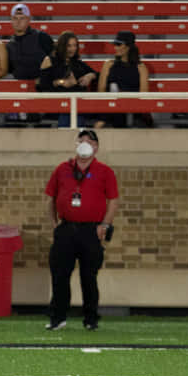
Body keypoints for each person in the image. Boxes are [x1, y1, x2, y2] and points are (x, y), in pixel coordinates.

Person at [44, 129, 119, 331]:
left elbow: (113, 200)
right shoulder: (62, 169)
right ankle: (58, 318)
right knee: (60, 275)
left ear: (96, 147)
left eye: (90, 141)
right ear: (76, 145)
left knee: (89, 277)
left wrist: (105, 225)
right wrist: (54, 224)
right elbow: (50, 198)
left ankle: (91, 319)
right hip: (66, 228)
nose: (85, 144)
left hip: (91, 230)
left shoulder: (105, 171)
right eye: (82, 140)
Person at [38, 31, 97, 127]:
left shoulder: (76, 62)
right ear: (62, 46)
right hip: (58, 102)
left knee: (76, 110)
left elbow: (95, 73)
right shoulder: (49, 60)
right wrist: (60, 82)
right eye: (69, 46)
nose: (73, 49)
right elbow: (42, 85)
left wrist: (89, 76)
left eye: (75, 45)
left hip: (77, 103)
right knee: (69, 112)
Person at [95, 30, 150, 128]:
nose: (116, 48)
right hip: (111, 106)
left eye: (119, 45)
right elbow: (101, 91)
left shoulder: (141, 68)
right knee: (100, 123)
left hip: (134, 107)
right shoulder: (108, 65)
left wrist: (125, 97)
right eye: (115, 45)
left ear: (128, 46)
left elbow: (143, 95)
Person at [6, 3, 53, 80]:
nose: (18, 22)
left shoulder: (41, 37)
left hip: (42, 84)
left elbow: (55, 58)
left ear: (28, 19)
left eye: (22, 18)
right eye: (15, 18)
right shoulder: (9, 45)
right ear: (11, 20)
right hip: (19, 85)